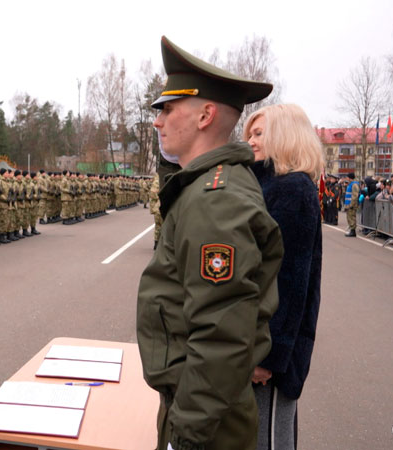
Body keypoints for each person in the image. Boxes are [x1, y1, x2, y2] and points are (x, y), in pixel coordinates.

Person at [136, 35, 283, 450]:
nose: (157, 121)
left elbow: (220, 335)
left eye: (167, 109)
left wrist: (186, 434)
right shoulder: (211, 187)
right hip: (206, 401)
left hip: (206, 415)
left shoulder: (213, 199)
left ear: (205, 116)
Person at [244, 104, 324, 450]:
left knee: (270, 440)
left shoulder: (292, 189)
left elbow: (289, 282)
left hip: (272, 358)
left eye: (259, 134)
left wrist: (268, 357)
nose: (250, 141)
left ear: (284, 135)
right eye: (249, 134)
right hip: (260, 344)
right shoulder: (272, 186)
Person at [342, 172, 360, 236]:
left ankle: (353, 231)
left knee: (352, 217)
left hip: (351, 205)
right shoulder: (350, 184)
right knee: (349, 217)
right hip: (348, 204)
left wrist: (351, 205)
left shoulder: (354, 184)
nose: (346, 178)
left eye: (347, 177)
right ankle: (351, 230)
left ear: (350, 178)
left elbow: (355, 196)